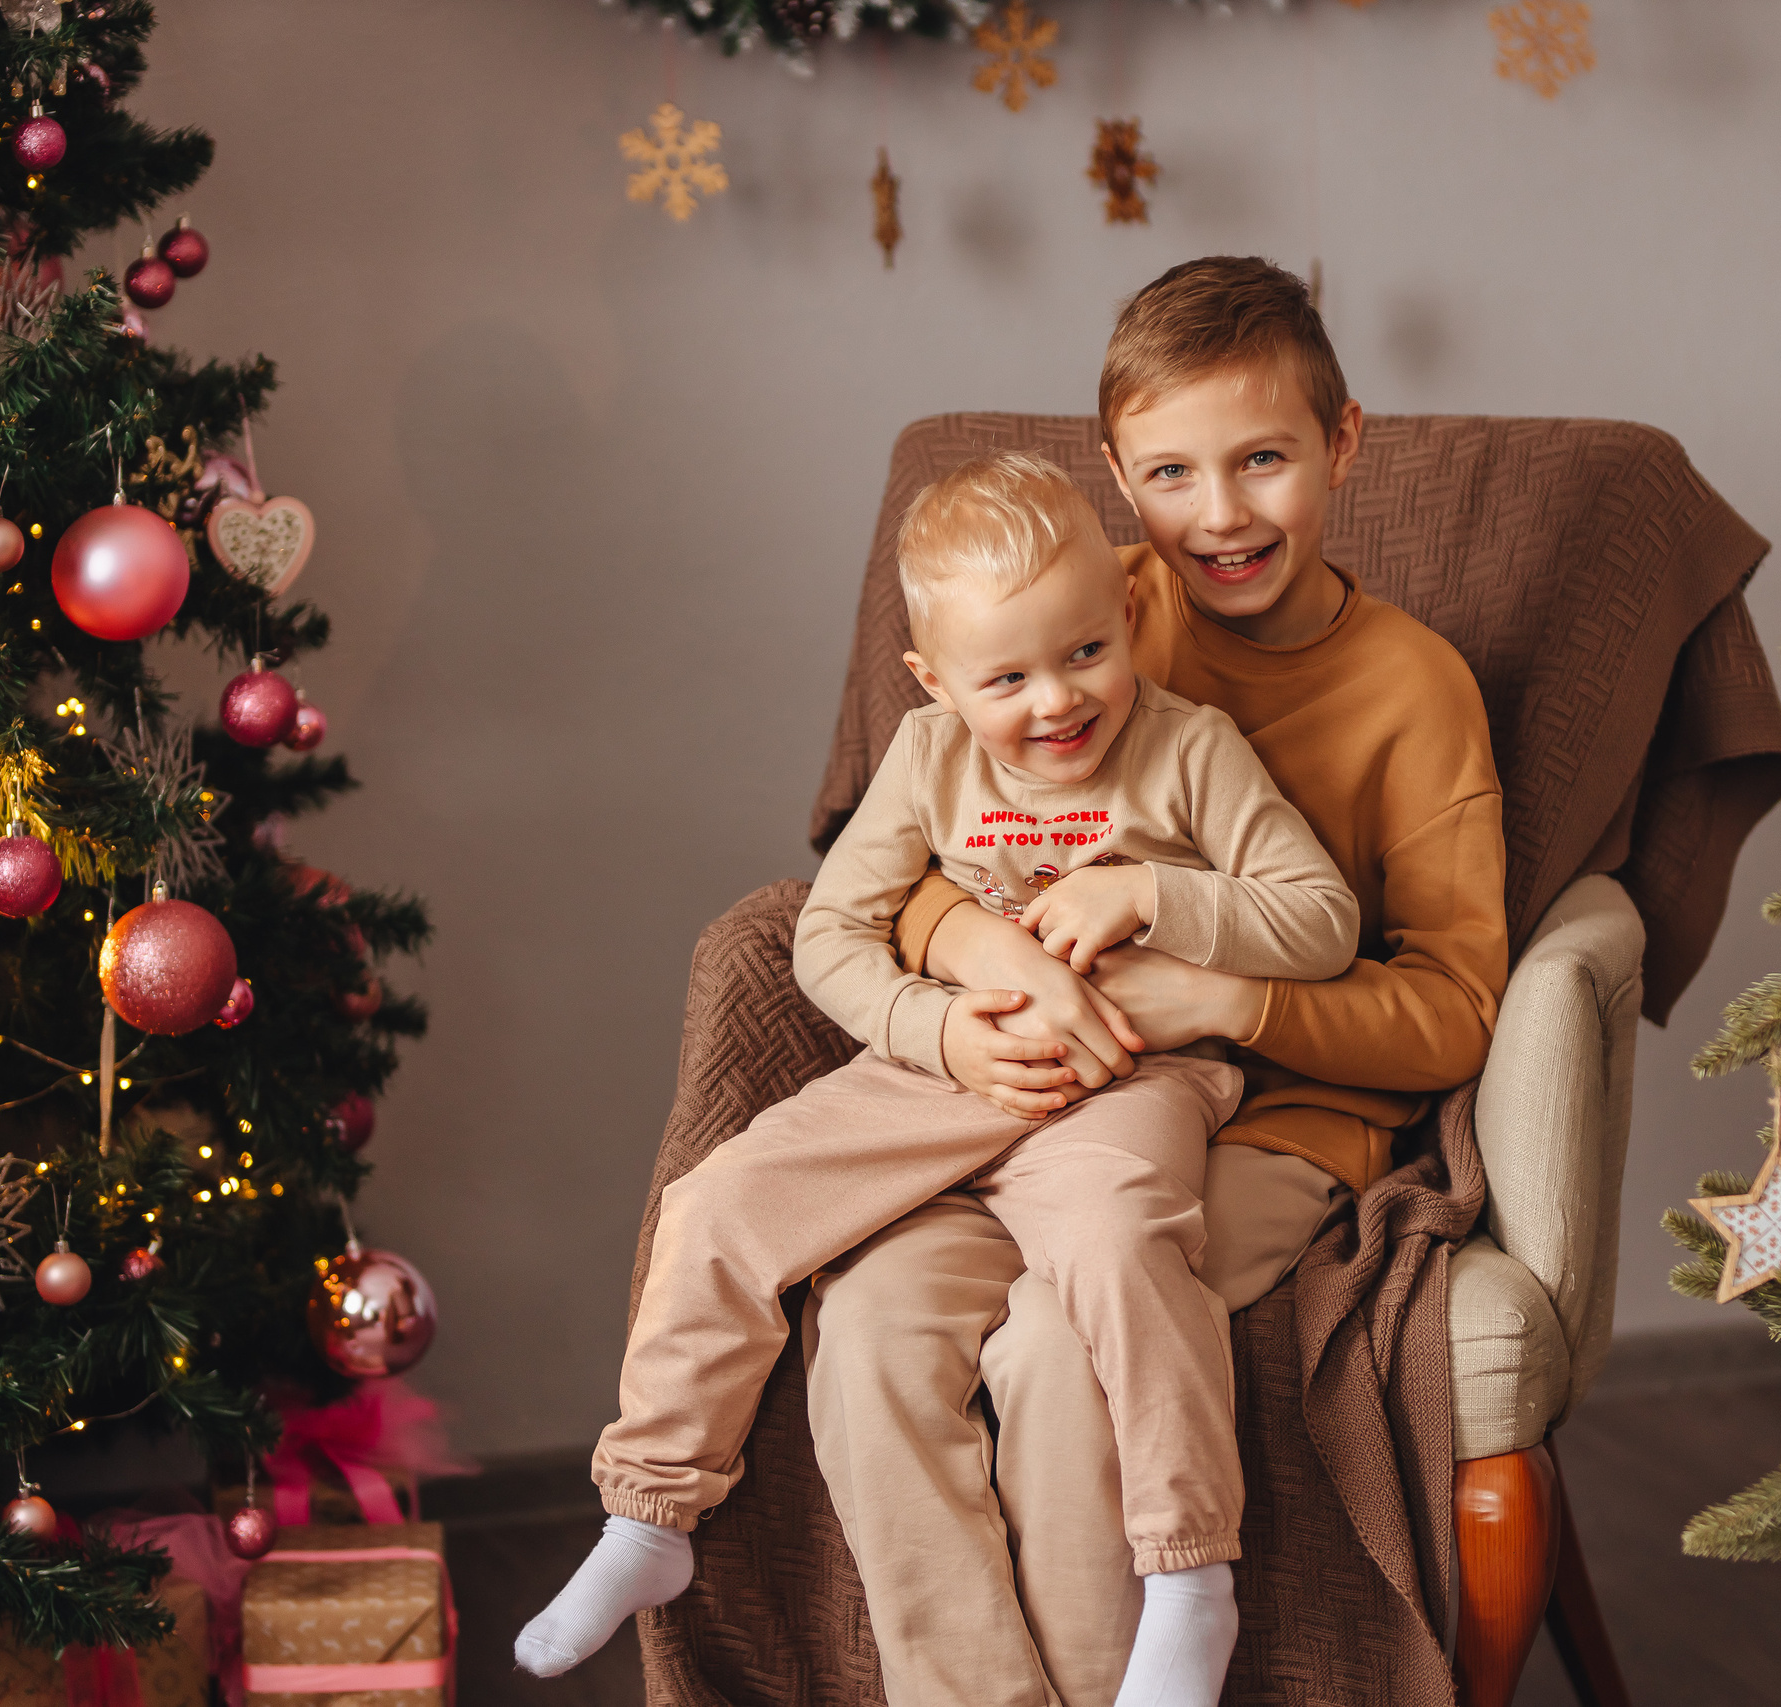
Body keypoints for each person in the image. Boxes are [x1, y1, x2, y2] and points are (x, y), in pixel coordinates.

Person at [516, 449, 1363, 1707]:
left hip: (1129, 1079)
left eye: (1083, 653)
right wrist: (939, 1032)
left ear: (1125, 617)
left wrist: (1151, 890)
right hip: (942, 1081)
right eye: (1006, 678)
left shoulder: (1192, 751)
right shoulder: (926, 760)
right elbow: (828, 938)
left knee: (1123, 1243)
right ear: (935, 681)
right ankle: (650, 1517)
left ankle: (1190, 1572)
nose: (1058, 702)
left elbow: (1322, 922)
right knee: (718, 1203)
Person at [799, 255, 1511, 1707]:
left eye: (1264, 459)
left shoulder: (1417, 690)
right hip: (1043, 1102)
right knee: (867, 1326)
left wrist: (1224, 999)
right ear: (1120, 478)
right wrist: (976, 951)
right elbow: (915, 842)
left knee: (1066, 1348)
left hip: (1275, 1114)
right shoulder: (1087, 617)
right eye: (1176, 472)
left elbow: (1452, 1009)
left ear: (1344, 442)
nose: (1223, 513)